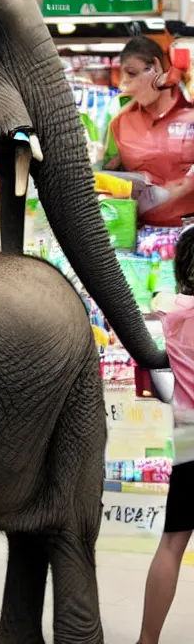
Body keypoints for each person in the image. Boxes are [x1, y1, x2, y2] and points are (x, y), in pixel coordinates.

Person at [137, 224, 194, 644]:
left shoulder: (169, 308)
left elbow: (148, 303)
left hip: (189, 439)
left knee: (172, 543)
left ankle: (147, 640)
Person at [104, 37, 194, 226]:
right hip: (141, 240)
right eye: (124, 76)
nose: (125, 84)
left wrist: (182, 186)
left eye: (132, 73)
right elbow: (105, 176)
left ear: (156, 67)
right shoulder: (119, 123)